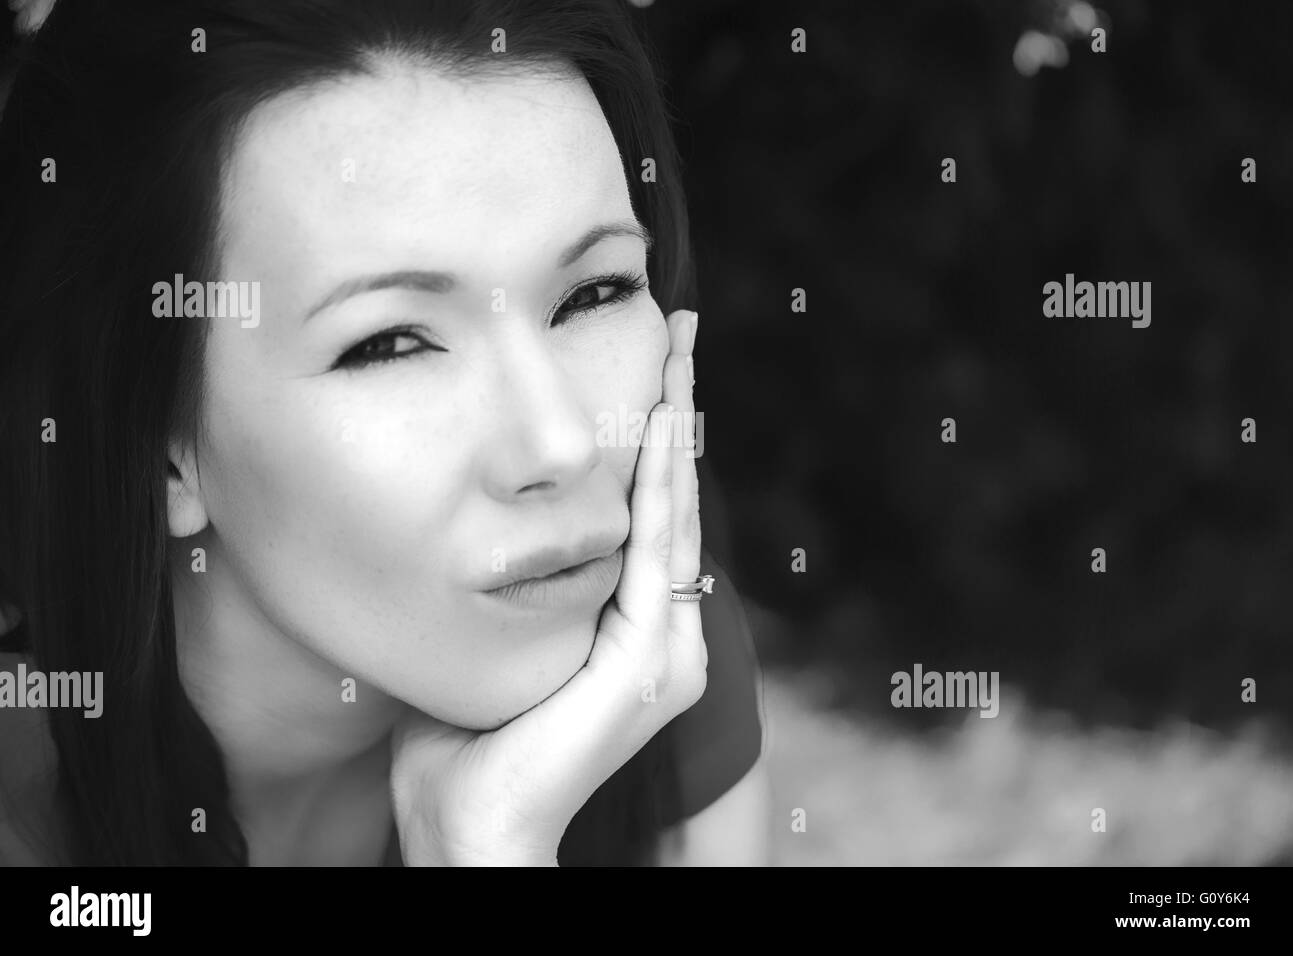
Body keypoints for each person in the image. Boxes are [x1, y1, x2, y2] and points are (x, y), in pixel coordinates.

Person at [0, 0, 767, 866]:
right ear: (155, 448)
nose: (561, 444)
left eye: (595, 294)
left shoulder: (656, 669)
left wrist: (488, 849)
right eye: (391, 344)